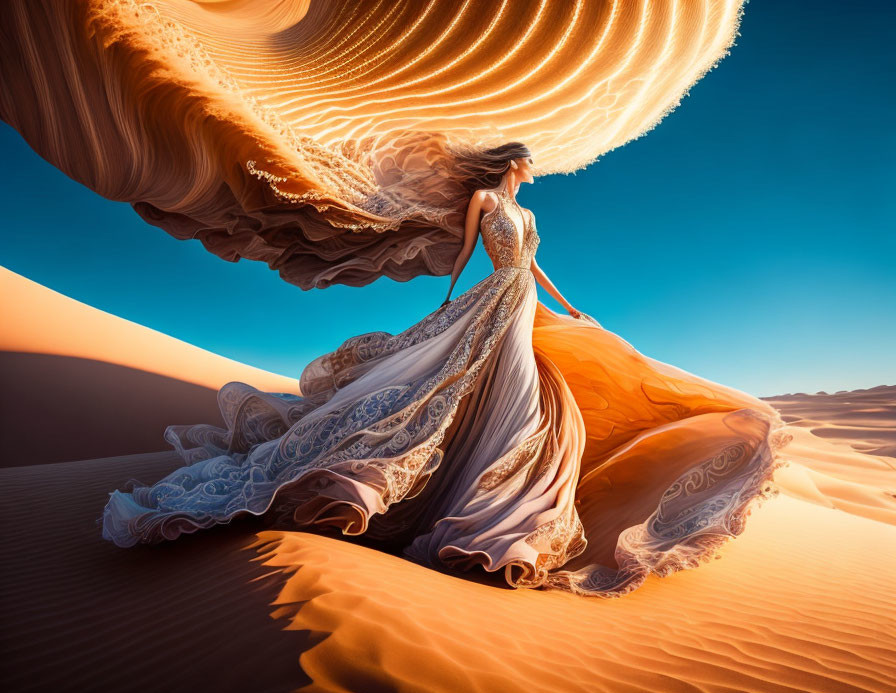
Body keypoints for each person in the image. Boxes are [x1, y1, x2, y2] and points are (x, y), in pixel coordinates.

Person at [100, 142, 792, 598]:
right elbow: (468, 254)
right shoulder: (487, 204)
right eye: (524, 166)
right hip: (491, 299)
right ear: (508, 167)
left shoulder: (524, 213)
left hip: (521, 301)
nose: (527, 174)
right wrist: (449, 296)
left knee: (530, 394)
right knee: (473, 389)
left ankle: (502, 494)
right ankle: (469, 497)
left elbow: (534, 267)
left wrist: (573, 306)